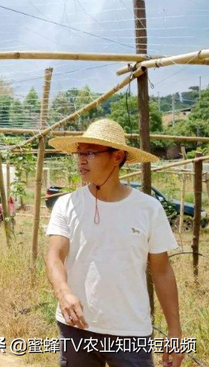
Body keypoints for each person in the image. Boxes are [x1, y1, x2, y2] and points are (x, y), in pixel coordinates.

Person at [45, 119, 184, 367]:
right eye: (79, 153)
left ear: (117, 156)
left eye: (90, 153)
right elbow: (54, 255)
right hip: (77, 328)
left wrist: (175, 331)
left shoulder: (148, 209)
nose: (81, 160)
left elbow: (162, 271)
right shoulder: (67, 205)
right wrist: (63, 293)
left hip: (131, 332)